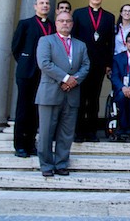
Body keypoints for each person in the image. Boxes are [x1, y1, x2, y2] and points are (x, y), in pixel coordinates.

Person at [35, 12, 90, 177]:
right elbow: (44, 63)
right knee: (46, 132)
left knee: (66, 133)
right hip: (50, 93)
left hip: (71, 94)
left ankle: (61, 164)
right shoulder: (46, 41)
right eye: (61, 21)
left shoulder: (80, 45)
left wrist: (74, 80)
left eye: (68, 21)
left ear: (72, 24)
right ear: (56, 23)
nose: (65, 23)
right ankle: (46, 165)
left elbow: (86, 66)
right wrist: (65, 78)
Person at [11, 0, 56, 158]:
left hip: (45, 75)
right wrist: (25, 61)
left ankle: (31, 144)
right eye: (41, 3)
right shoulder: (25, 24)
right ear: (35, 6)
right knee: (23, 109)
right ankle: (20, 145)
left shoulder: (52, 26)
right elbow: (16, 47)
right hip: (27, 73)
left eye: (47, 3)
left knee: (37, 110)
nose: (45, 6)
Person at [72, 0, 115, 142]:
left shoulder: (109, 17)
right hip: (80, 64)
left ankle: (91, 132)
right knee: (80, 98)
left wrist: (108, 64)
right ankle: (79, 132)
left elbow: (110, 42)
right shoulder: (79, 14)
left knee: (94, 98)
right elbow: (74, 39)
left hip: (98, 64)